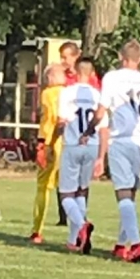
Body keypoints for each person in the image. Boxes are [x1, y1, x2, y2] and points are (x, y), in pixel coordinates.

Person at [88, 39, 140, 262]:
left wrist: (89, 130)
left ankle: (137, 244)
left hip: (120, 139)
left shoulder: (112, 78)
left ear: (121, 57)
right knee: (131, 194)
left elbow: (101, 111)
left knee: (122, 194)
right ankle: (121, 244)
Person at [56, 57, 106, 253]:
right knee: (82, 191)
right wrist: (102, 156)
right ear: (92, 73)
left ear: (76, 72)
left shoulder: (67, 93)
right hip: (92, 145)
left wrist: (52, 140)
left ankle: (81, 224)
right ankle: (74, 239)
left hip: (72, 144)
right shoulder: (98, 95)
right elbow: (103, 128)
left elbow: (61, 122)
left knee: (66, 194)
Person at [30, 63, 66, 244]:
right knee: (70, 189)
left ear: (50, 77)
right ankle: (78, 231)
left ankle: (37, 230)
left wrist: (42, 144)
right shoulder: (70, 93)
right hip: (71, 144)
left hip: (52, 142)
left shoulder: (48, 94)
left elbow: (48, 120)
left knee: (43, 187)